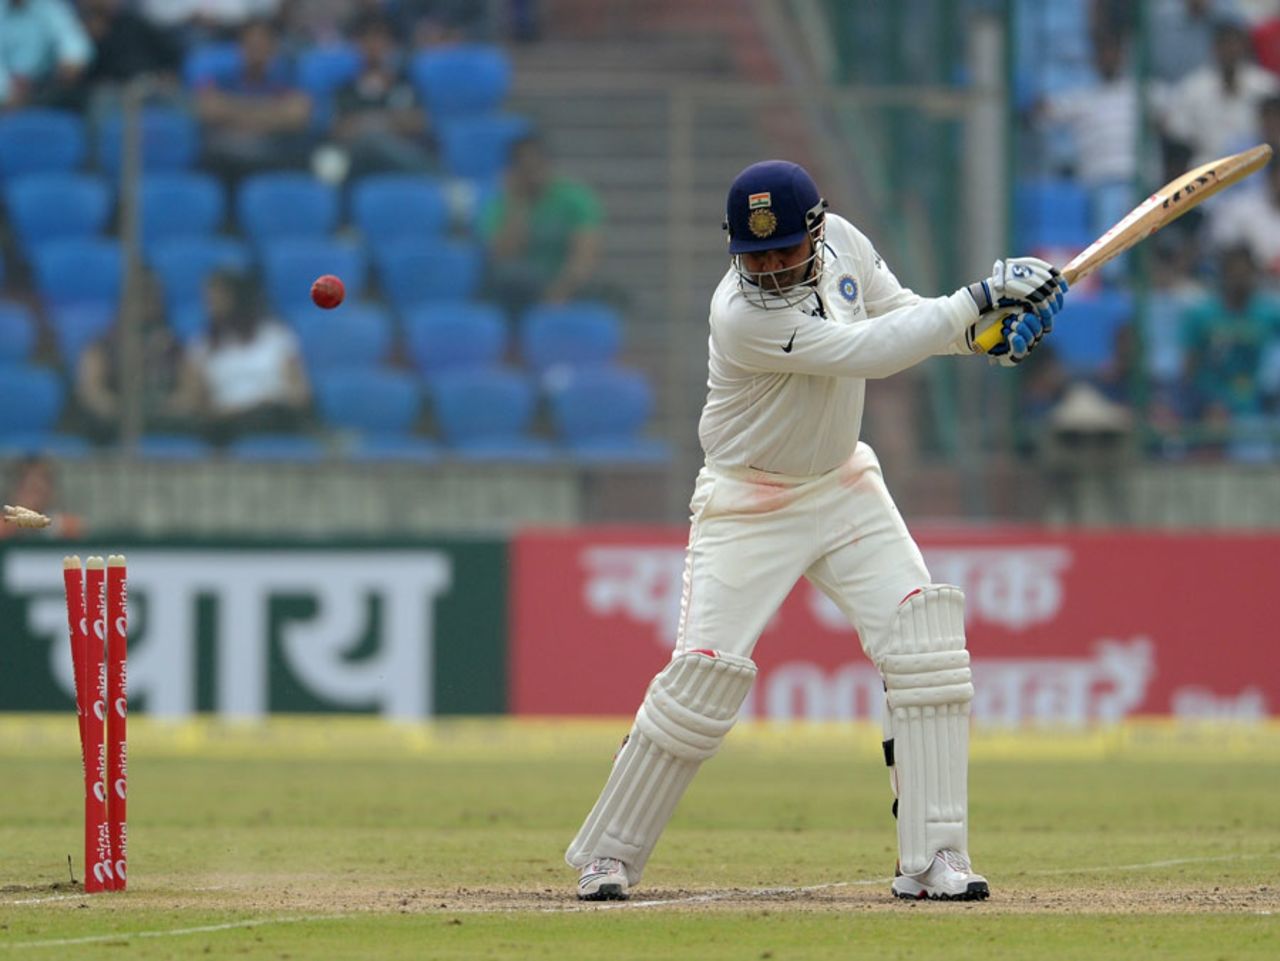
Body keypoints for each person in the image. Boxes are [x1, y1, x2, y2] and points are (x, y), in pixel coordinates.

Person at [566, 160, 1068, 903]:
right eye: (755, 256)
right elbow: (868, 351)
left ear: (818, 229)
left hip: (842, 486)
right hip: (747, 502)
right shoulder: (740, 316)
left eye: (784, 251)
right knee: (701, 679)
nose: (770, 268)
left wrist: (978, 337)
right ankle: (608, 854)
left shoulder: (848, 246)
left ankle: (934, 855)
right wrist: (981, 299)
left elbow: (901, 317)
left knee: (924, 646)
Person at [174, 268, 311, 445]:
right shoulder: (202, 346)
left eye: (219, 297)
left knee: (269, 415)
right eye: (209, 299)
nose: (212, 305)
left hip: (274, 414)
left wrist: (269, 401)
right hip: (227, 424)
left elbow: (300, 393)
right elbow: (192, 400)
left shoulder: (275, 336)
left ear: (238, 298)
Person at [479, 133, 603, 317]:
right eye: (525, 167)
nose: (532, 173)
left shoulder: (575, 199)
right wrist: (518, 204)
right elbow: (503, 257)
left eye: (537, 164)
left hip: (565, 280)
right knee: (507, 277)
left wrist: (561, 291)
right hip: (520, 287)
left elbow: (585, 254)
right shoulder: (500, 204)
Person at [194, 17, 313, 187]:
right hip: (229, 156)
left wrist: (233, 112)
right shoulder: (222, 78)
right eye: (250, 44)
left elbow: (297, 116)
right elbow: (208, 110)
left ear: (274, 47)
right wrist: (273, 112)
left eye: (262, 44)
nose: (256, 50)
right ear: (239, 47)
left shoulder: (290, 76)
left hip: (275, 153)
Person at [330, 12, 433, 178]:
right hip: (360, 163)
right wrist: (390, 121)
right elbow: (340, 130)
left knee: (376, 142)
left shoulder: (404, 84)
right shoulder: (345, 89)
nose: (374, 45)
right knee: (366, 145)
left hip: (400, 157)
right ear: (357, 45)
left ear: (391, 45)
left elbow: (418, 122)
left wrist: (366, 123)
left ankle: (433, 178)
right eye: (366, 39)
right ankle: (440, 179)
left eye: (380, 38)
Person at [0, 0, 93, 110]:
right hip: (6, 93)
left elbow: (74, 43)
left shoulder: (49, 7)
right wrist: (7, 90)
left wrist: (71, 61)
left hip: (45, 87)